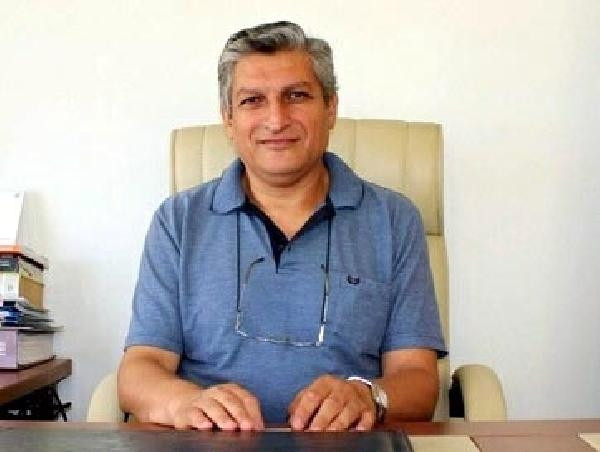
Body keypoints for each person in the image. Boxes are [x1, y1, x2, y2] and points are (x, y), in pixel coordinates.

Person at [118, 21, 447, 432]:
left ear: (330, 108)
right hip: (210, 443)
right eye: (253, 100)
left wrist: (368, 396)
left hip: (344, 443)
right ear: (228, 119)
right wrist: (185, 403)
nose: (276, 119)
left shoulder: (394, 220)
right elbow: (140, 369)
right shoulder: (178, 221)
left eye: (297, 96)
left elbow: (418, 380)